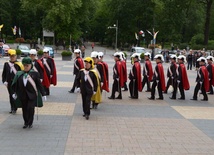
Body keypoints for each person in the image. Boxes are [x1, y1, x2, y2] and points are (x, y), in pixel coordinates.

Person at [11, 57, 46, 128]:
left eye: (27, 65)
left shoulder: (35, 74)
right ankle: (26, 122)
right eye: (24, 65)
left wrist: (43, 94)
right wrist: (14, 92)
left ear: (31, 66)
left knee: (30, 108)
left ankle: (30, 122)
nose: (26, 67)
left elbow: (39, 85)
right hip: (23, 95)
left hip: (32, 95)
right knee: (24, 109)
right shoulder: (19, 74)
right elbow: (16, 84)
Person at [2, 49, 24, 114]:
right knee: (11, 95)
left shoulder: (19, 64)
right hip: (9, 83)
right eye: (11, 56)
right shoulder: (6, 64)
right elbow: (4, 74)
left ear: (16, 56)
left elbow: (21, 74)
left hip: (17, 83)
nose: (12, 57)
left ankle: (15, 107)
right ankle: (12, 108)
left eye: (13, 56)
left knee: (15, 95)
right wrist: (4, 81)